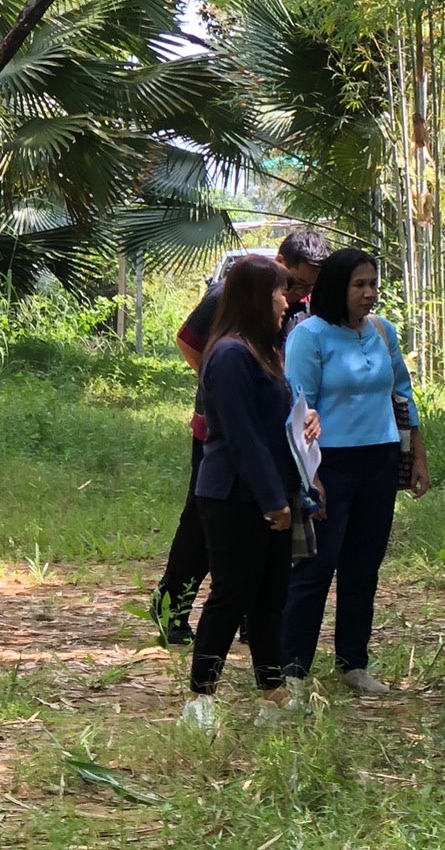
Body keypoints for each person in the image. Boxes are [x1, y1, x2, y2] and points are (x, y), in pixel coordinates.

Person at [153, 230, 330, 645]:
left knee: (264, 524)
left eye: (308, 288)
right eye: (295, 284)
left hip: (276, 434)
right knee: (205, 522)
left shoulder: (301, 307)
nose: (299, 295)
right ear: (280, 265)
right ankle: (172, 607)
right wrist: (226, 389)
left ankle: (254, 618)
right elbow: (189, 341)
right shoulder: (231, 294)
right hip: (221, 432)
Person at [183, 255, 324, 730]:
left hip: (270, 492)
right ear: (256, 298)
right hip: (233, 496)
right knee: (231, 595)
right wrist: (272, 501)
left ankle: (273, 694)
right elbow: (242, 436)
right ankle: (200, 699)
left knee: (270, 596)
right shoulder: (229, 356)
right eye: (281, 293)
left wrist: (306, 421)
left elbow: (274, 420)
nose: (288, 303)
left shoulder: (264, 351)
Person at [282, 248, 430, 696]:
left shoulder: (383, 331)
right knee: (315, 568)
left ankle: (354, 663)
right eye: (359, 285)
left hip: (379, 460)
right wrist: (311, 477)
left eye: (373, 285)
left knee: (364, 567)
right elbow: (299, 407)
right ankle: (292, 669)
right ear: (337, 288)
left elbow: (402, 394)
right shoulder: (310, 335)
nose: (369, 294)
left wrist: (417, 455)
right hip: (331, 463)